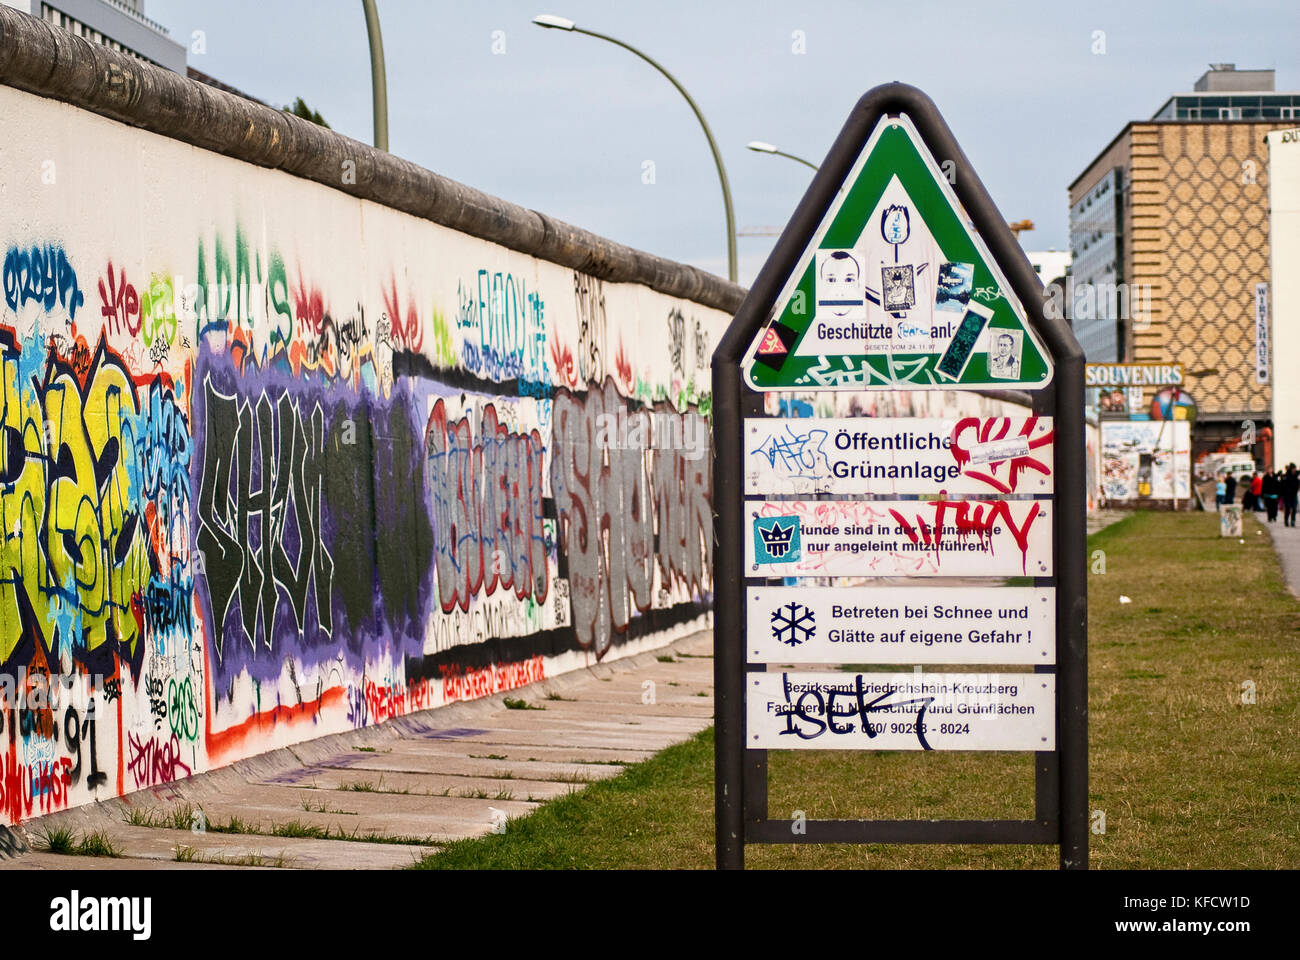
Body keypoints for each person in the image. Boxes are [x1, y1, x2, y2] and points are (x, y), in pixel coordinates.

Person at [1282, 463, 1299, 528]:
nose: (1294, 470)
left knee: (1294, 508)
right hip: (1287, 495)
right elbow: (1283, 485)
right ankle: (1286, 520)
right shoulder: (1286, 475)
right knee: (1288, 508)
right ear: (1291, 469)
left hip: (1294, 494)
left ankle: (1293, 521)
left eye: (1295, 468)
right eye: (1293, 469)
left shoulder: (1297, 475)